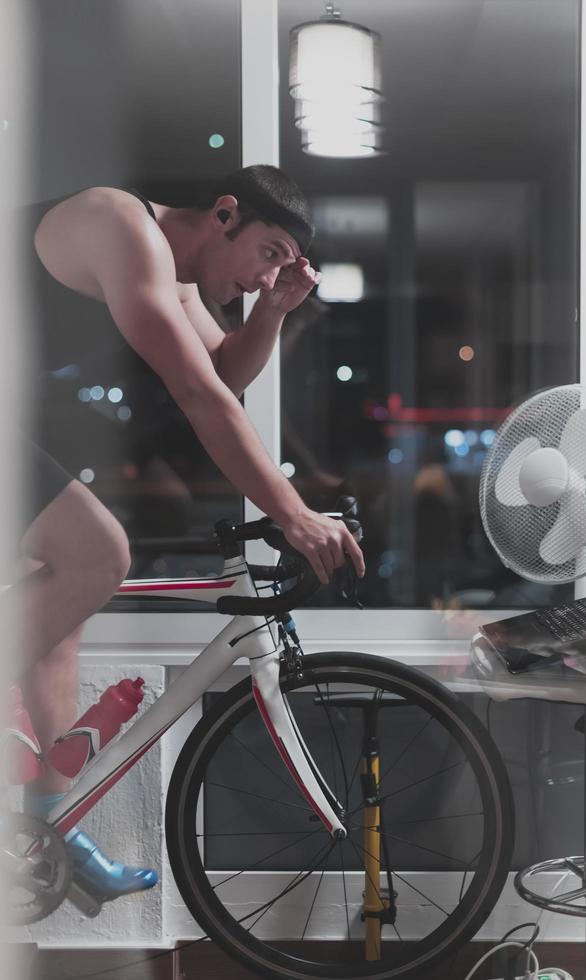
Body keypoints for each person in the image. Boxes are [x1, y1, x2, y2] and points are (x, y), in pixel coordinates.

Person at [14, 165, 365, 907]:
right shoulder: (120, 224)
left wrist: (271, 312)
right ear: (225, 214)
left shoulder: (175, 280)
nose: (267, 272)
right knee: (98, 553)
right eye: (268, 253)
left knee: (58, 618)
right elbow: (198, 396)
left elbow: (223, 369)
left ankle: (49, 830)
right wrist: (295, 513)